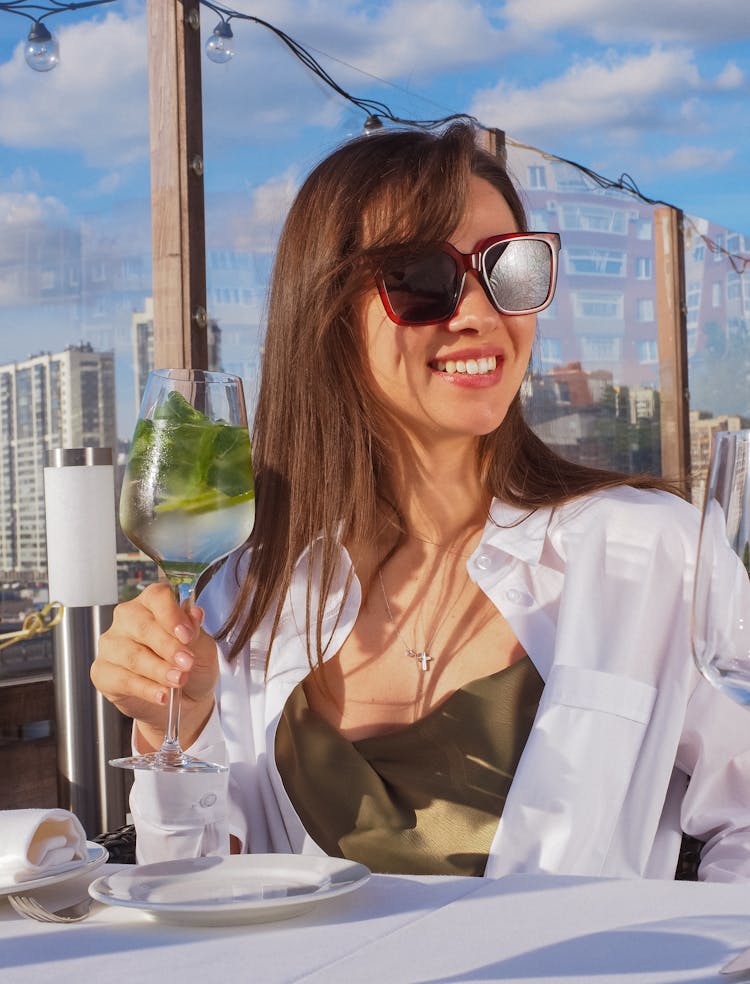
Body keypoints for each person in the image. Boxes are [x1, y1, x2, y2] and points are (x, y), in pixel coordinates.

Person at [92, 121, 750, 881]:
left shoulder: (651, 553)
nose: (478, 312)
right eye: (422, 277)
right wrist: (174, 725)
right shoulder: (250, 593)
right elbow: (203, 887)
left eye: (510, 268)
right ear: (327, 316)